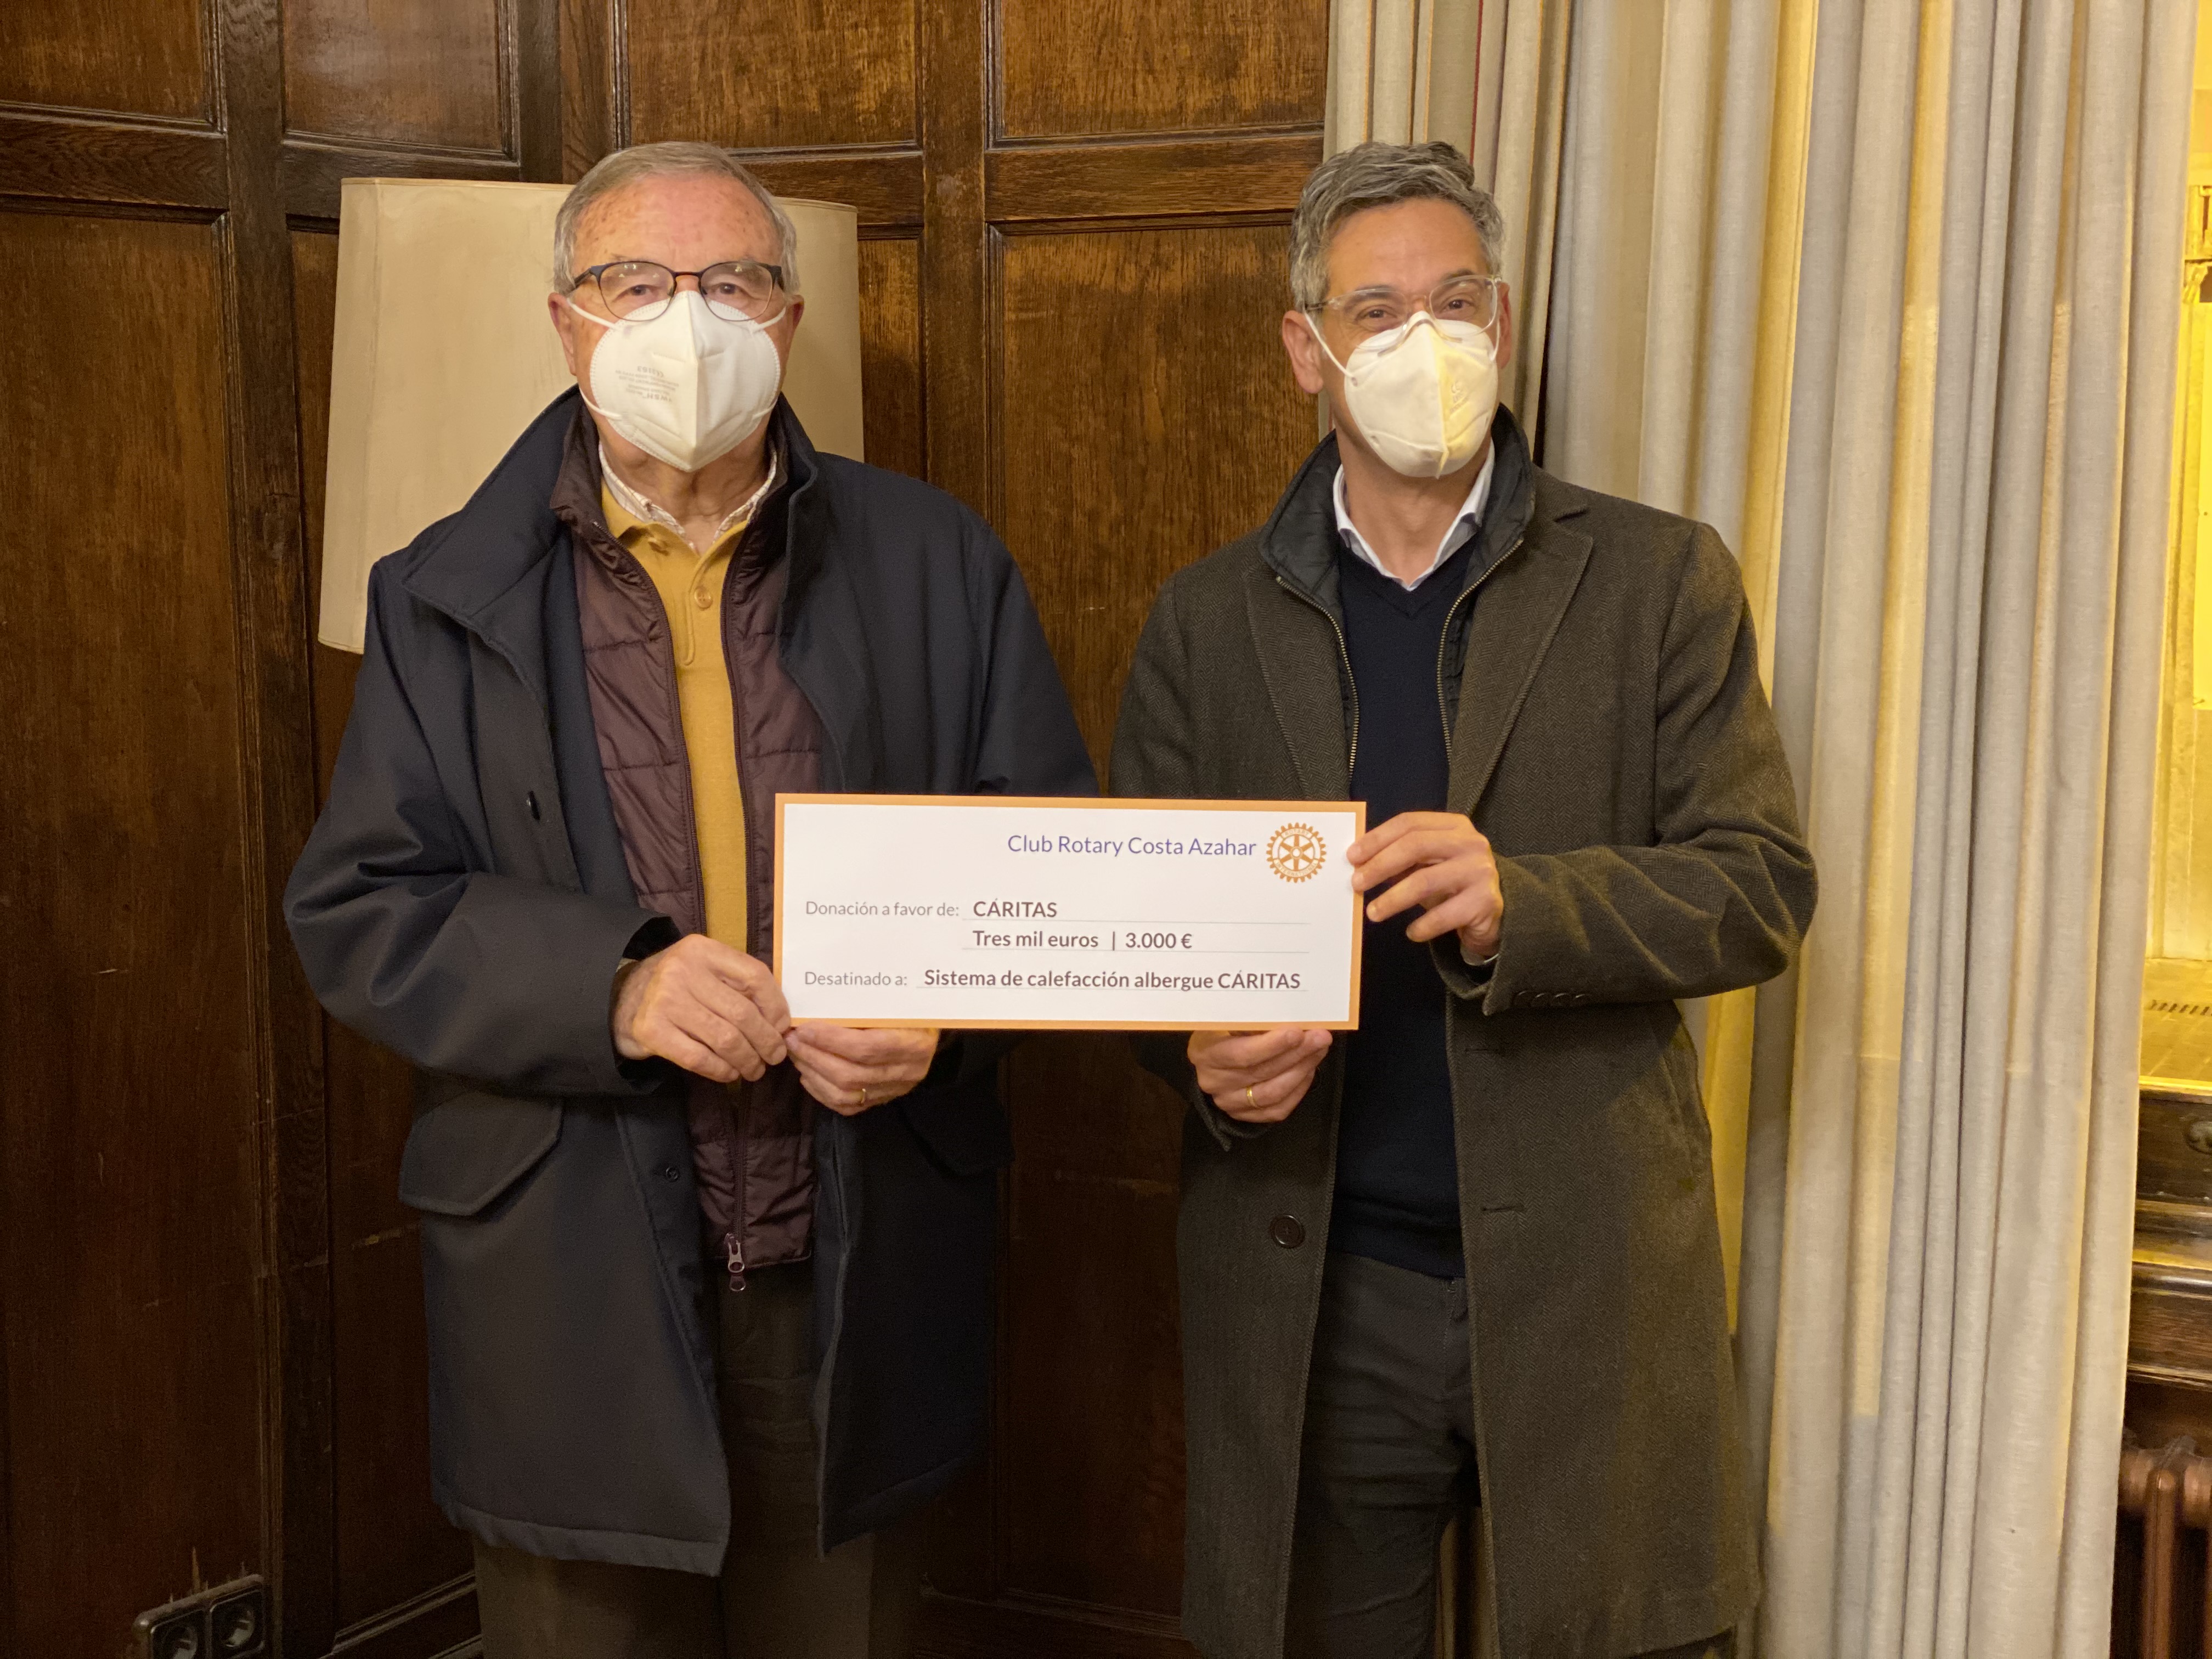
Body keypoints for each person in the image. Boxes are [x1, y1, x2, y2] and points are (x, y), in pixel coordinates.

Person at [286, 140, 1092, 1659]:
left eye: (732, 281)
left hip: (851, 1278)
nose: (687, 321)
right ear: (564, 320)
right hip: (571, 1286)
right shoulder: (439, 591)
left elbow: (1040, 857)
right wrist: (618, 984)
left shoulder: (940, 561)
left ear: (788, 317)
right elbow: (363, 907)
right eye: (634, 283)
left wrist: (943, 1018)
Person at [1111, 141, 1816, 1659]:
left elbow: (1758, 887)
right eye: (1377, 311)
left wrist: (1524, 908)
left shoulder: (1657, 581)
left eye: (1454, 301)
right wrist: (1201, 1060)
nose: (1424, 342)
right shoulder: (1206, 621)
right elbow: (1141, 945)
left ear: (1503, 319)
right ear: (1307, 350)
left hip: (1589, 1281)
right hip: (1322, 1295)